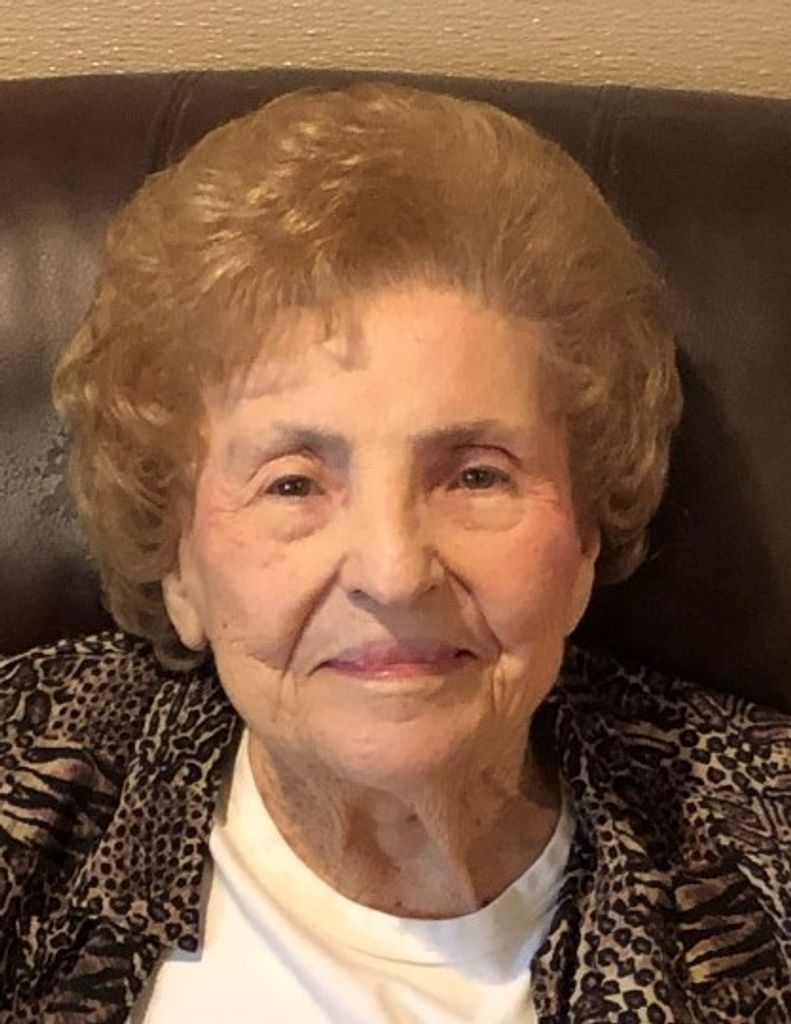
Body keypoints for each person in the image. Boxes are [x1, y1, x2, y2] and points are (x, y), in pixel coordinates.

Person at [1, 80, 788, 1024]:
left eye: (476, 476)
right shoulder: (26, 787)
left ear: (586, 531)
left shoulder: (761, 848)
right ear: (178, 564)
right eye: (293, 484)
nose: (393, 571)